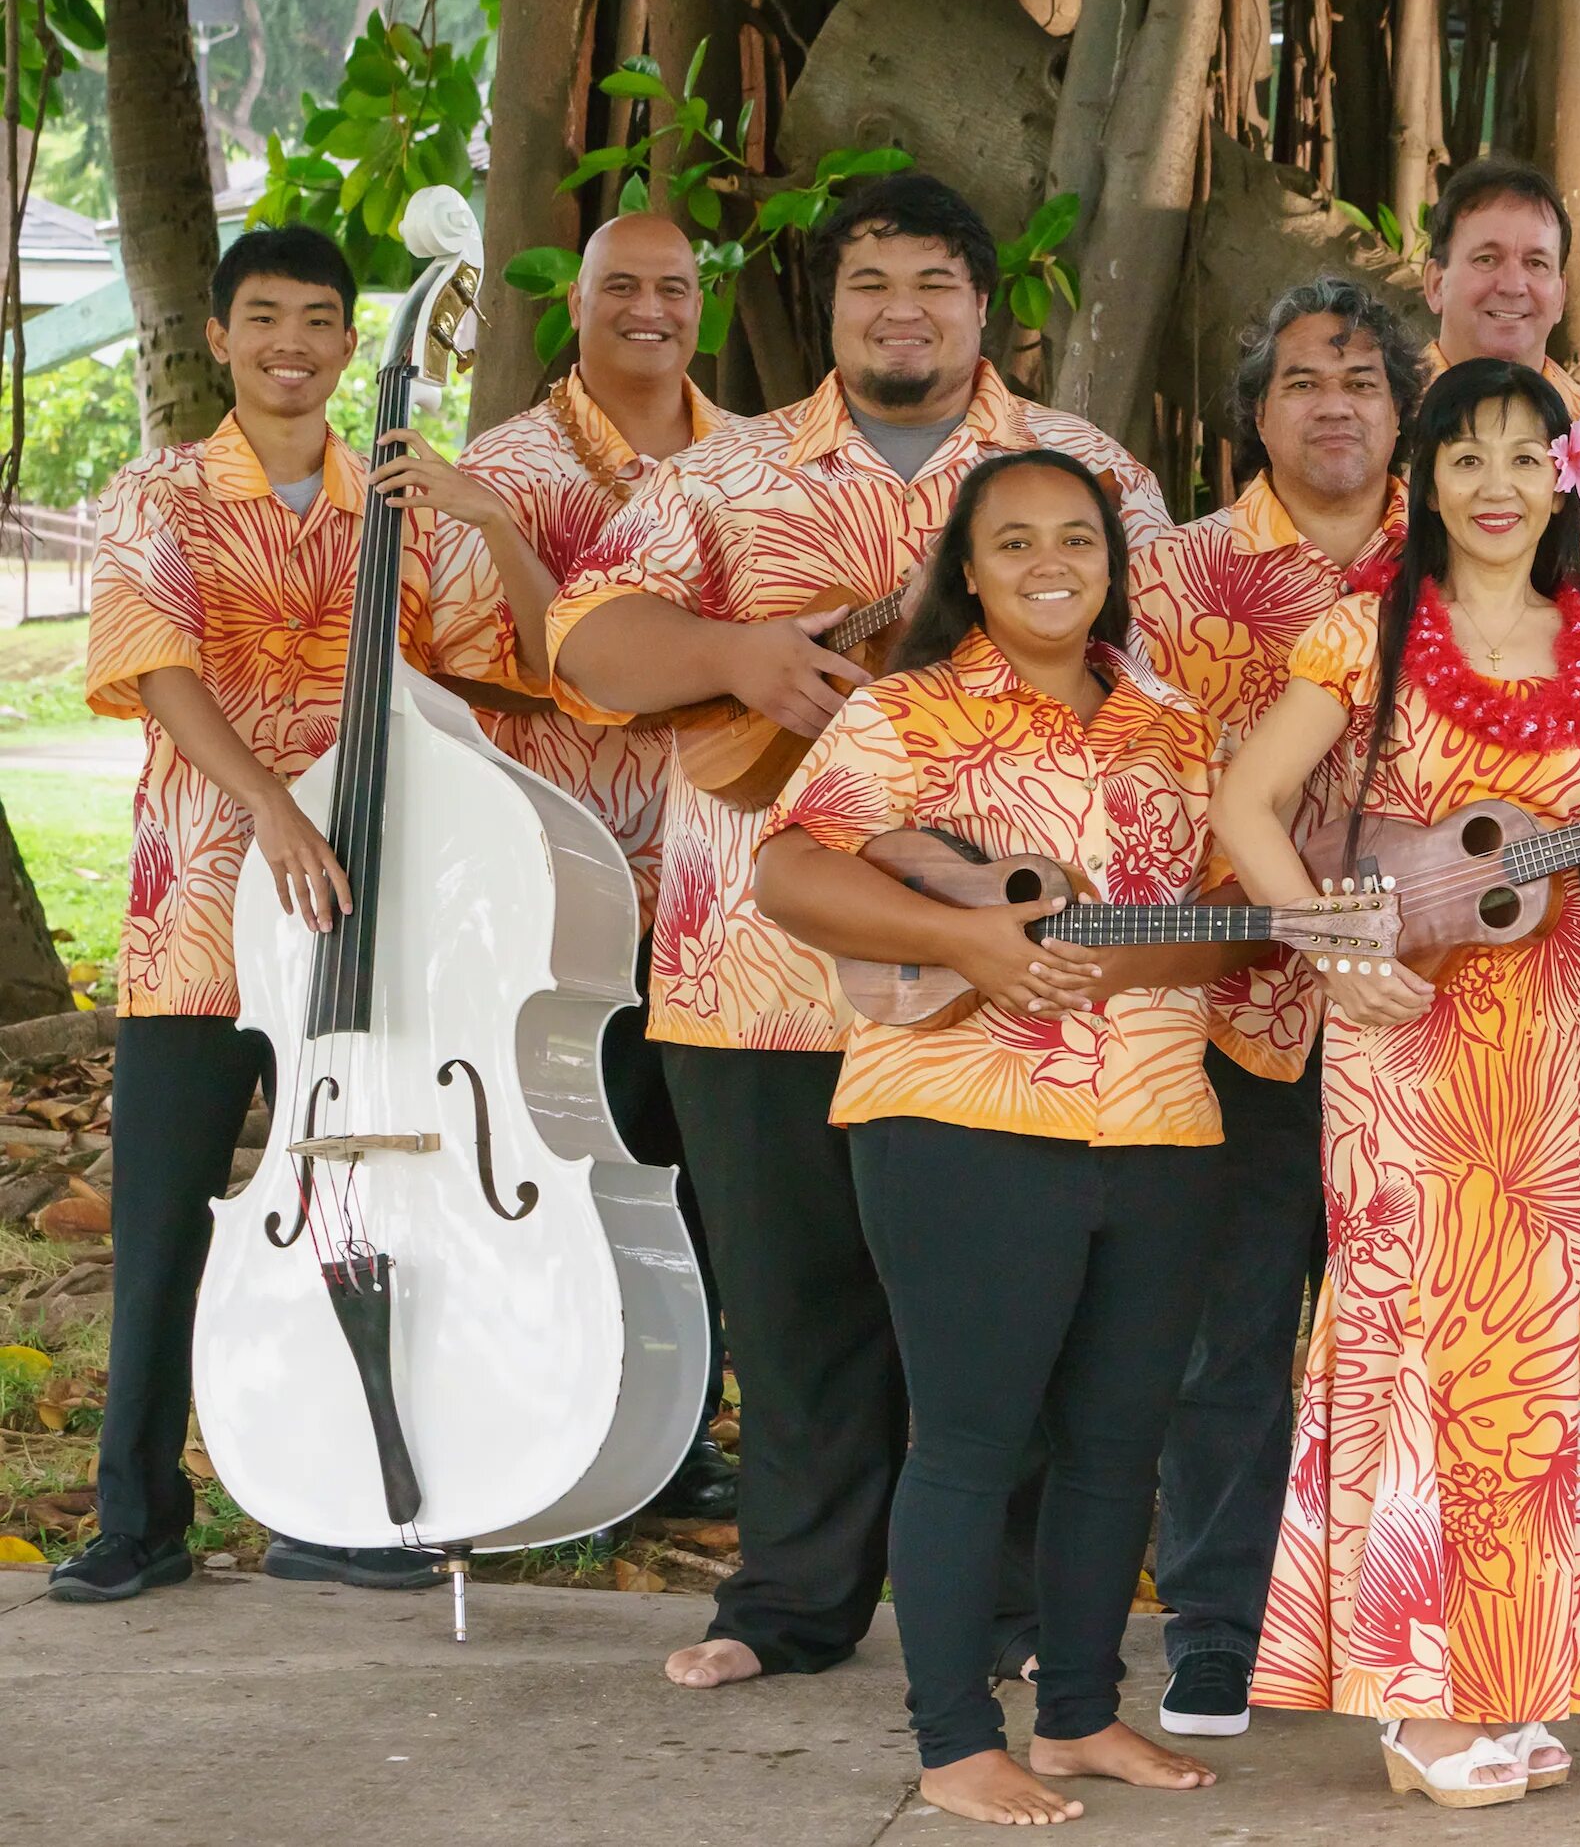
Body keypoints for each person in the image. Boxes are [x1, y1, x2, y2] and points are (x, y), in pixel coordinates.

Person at [546, 171, 1167, 1695]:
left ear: (984, 305)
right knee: (794, 1309)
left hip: (1003, 973)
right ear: (828, 304)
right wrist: (738, 654)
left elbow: (1161, 666)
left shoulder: (1083, 470)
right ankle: (790, 1600)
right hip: (753, 973)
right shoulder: (724, 473)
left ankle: (1015, 1610)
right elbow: (590, 643)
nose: (904, 310)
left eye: (935, 282)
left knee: (1011, 1308)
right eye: (872, 282)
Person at [1220, 356, 1580, 1808]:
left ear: (1565, 481)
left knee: (1537, 1337)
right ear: (1424, 478)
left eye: (1524, 458)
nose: (1497, 485)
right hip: (1399, 1018)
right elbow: (1246, 802)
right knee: (1411, 1329)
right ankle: (1415, 1698)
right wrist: (1329, 943)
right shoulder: (1365, 629)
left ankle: (1513, 1671)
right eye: (1467, 457)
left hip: (1547, 1028)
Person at [752, 450, 1227, 1828]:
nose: (1047, 562)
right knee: (969, 1440)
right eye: (1013, 540)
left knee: (1117, 1444)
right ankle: (955, 1741)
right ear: (967, 569)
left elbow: (1217, 934)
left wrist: (1116, 961)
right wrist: (969, 941)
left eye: (1076, 537)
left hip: (1159, 1115)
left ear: (1112, 563)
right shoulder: (903, 714)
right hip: (956, 1116)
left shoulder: (1176, 727)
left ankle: (1076, 1715)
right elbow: (789, 868)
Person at [51, 224, 472, 1601]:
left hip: (362, 915)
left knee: (348, 1207)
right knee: (165, 1221)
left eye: (319, 320)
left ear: (351, 343)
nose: (293, 342)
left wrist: (483, 515)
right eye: (266, 317)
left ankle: (337, 1506)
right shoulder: (159, 492)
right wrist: (277, 809)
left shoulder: (399, 504)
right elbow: (157, 666)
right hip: (201, 909)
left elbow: (482, 679)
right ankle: (139, 1518)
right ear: (221, 337)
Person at [374, 209, 738, 1522]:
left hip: (722, 875)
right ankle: (567, 1422)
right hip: (560, 879)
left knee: (711, 1169)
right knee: (580, 1156)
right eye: (620, 285)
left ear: (701, 303)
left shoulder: (755, 463)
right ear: (574, 306)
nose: (650, 308)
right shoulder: (500, 467)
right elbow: (450, 675)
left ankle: (683, 1431)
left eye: (674, 286)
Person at [1103, 275, 1425, 1738]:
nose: (1333, 405)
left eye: (1361, 380)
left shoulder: (1474, 557)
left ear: (1403, 410)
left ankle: (1397, 1624)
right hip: (1234, 1013)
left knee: (1413, 1328)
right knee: (1227, 1334)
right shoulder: (1172, 578)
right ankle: (1219, 1628)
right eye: (1303, 380)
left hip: (1428, 1012)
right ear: (1256, 411)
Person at [1418, 155, 1580, 475]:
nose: (1512, 286)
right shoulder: (1378, 428)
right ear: (1436, 285)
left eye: (1536, 263)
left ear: (1560, 296)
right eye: (1486, 259)